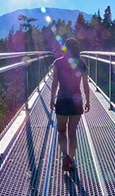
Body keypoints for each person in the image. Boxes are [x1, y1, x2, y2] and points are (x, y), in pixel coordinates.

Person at [50, 38, 90, 171]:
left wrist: (52, 99)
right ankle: (71, 160)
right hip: (76, 101)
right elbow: (85, 85)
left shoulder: (58, 63)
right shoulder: (82, 64)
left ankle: (65, 156)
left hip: (61, 100)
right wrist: (88, 101)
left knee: (62, 131)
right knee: (72, 132)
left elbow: (55, 82)